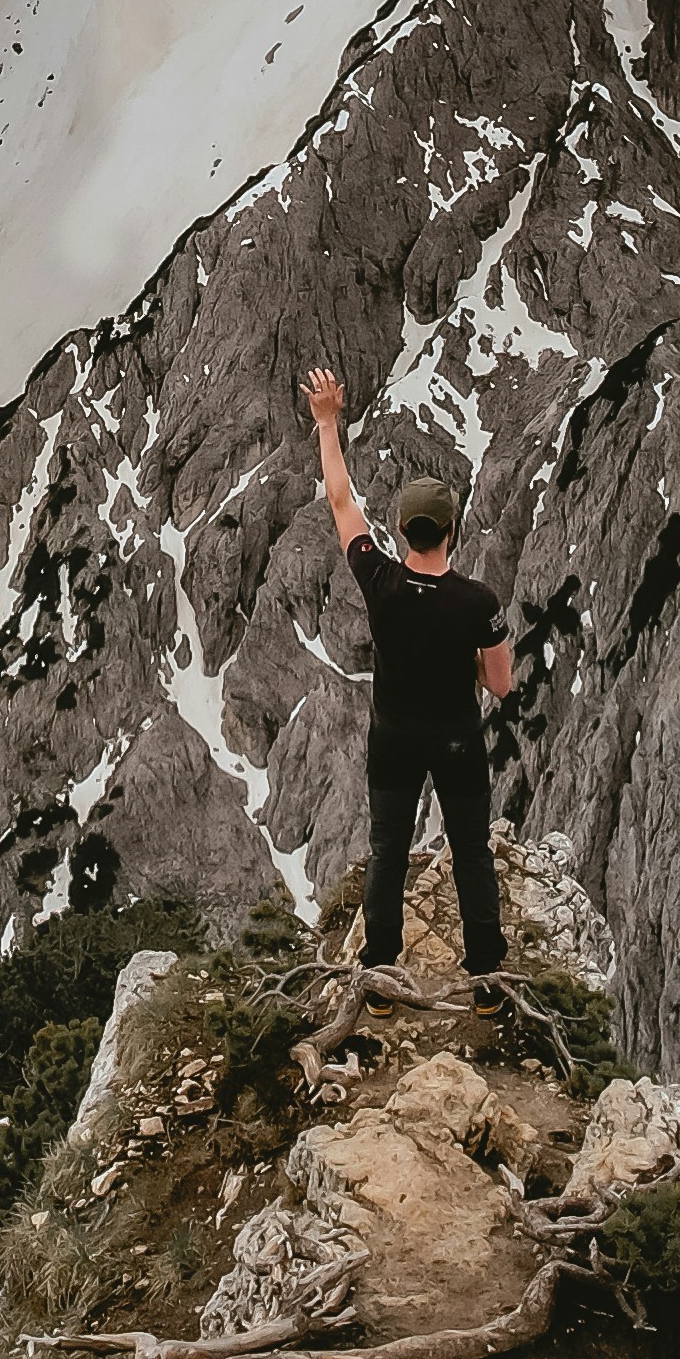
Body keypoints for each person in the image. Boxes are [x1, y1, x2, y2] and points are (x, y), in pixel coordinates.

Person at [301, 364, 510, 983]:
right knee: (471, 852)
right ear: (452, 531)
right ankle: (487, 980)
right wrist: (470, 661)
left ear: (398, 531)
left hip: (392, 738)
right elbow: (500, 685)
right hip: (457, 741)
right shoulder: (478, 602)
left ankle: (383, 974)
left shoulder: (380, 580)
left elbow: (340, 499)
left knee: (387, 852)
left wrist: (328, 421)